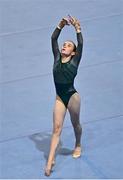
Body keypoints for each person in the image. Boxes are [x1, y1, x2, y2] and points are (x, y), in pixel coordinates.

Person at [45, 15, 83, 176]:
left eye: (68, 46)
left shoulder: (75, 61)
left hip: (72, 97)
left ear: (73, 52)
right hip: (60, 97)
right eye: (64, 45)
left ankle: (78, 144)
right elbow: (53, 39)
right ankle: (49, 161)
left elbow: (80, 43)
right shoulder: (56, 59)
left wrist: (78, 29)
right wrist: (60, 26)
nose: (64, 46)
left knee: (75, 124)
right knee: (56, 129)